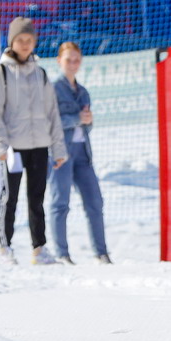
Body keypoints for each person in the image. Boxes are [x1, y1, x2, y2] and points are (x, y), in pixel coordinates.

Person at [0, 17, 67, 264]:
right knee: (10, 197)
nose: (25, 44)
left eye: (29, 40)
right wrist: (0, 145)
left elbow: (52, 113)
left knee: (37, 198)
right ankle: (5, 248)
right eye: (20, 39)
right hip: (13, 148)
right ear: (12, 42)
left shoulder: (40, 74)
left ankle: (39, 248)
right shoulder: (1, 73)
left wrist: (58, 148)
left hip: (39, 145)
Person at [49, 42, 112, 265]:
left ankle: (101, 252)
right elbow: (50, 122)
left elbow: (86, 126)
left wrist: (87, 121)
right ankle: (62, 253)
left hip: (83, 153)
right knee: (60, 202)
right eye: (69, 59)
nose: (73, 64)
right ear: (59, 61)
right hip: (61, 153)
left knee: (95, 202)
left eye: (76, 60)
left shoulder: (83, 92)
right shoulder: (53, 89)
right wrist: (77, 119)